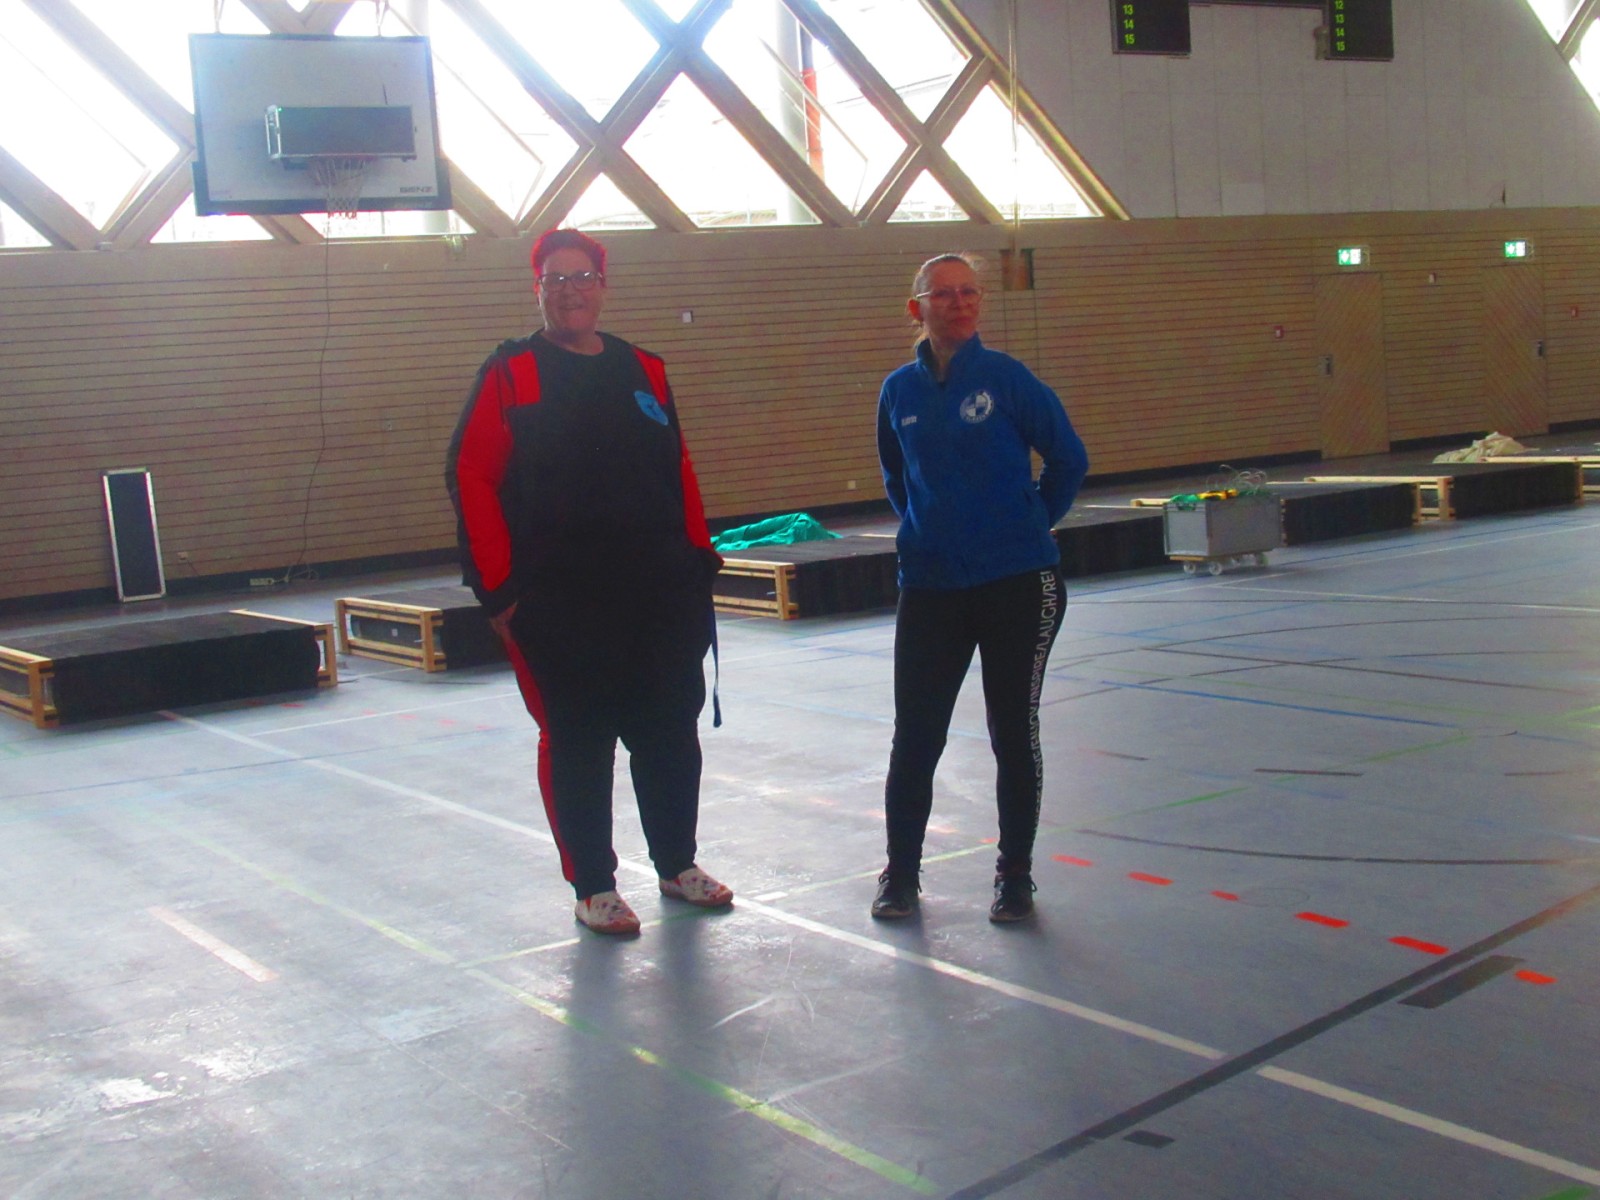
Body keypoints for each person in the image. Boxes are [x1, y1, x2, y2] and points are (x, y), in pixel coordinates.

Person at [446, 228, 732, 936]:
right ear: (537, 289)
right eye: (555, 279)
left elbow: (679, 468)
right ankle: (594, 886)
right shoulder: (512, 373)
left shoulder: (645, 369)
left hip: (659, 597)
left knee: (670, 733)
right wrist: (499, 589)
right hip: (560, 603)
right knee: (579, 741)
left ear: (603, 285)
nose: (570, 290)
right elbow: (471, 476)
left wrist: (698, 560)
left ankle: (677, 864)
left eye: (581, 277)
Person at [872, 252, 1089, 924]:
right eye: (944, 294)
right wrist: (928, 531)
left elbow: (1069, 458)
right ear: (917, 308)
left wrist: (1029, 524)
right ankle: (900, 876)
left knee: (1013, 732)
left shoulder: (1006, 378)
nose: (960, 303)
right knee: (916, 736)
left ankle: (1014, 877)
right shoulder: (898, 392)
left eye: (970, 292)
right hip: (931, 585)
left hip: (1018, 583)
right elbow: (897, 477)